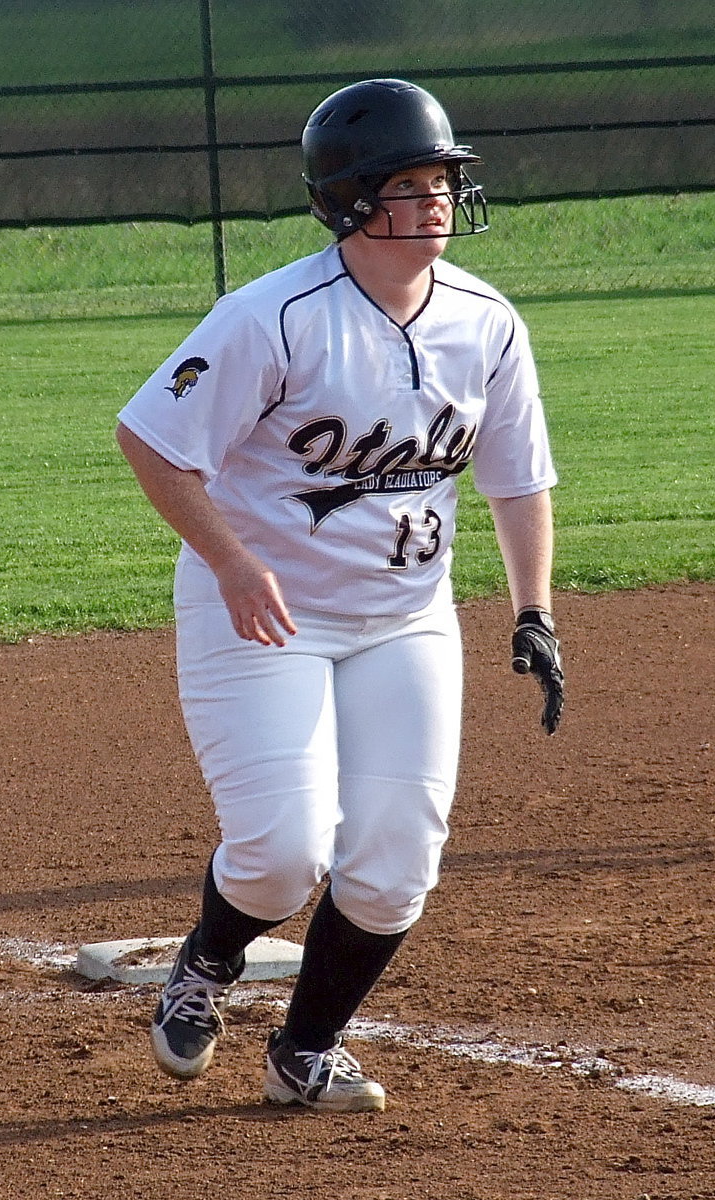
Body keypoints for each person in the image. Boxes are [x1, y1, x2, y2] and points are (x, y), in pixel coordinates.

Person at [115, 77, 564, 1114]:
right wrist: (229, 559)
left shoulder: (487, 321)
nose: (439, 199)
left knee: (397, 861)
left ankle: (305, 1049)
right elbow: (153, 440)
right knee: (280, 854)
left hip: (405, 619)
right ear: (352, 199)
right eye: (410, 182)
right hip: (263, 615)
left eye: (445, 178)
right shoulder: (273, 316)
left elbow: (517, 476)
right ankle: (206, 964)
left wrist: (533, 610)